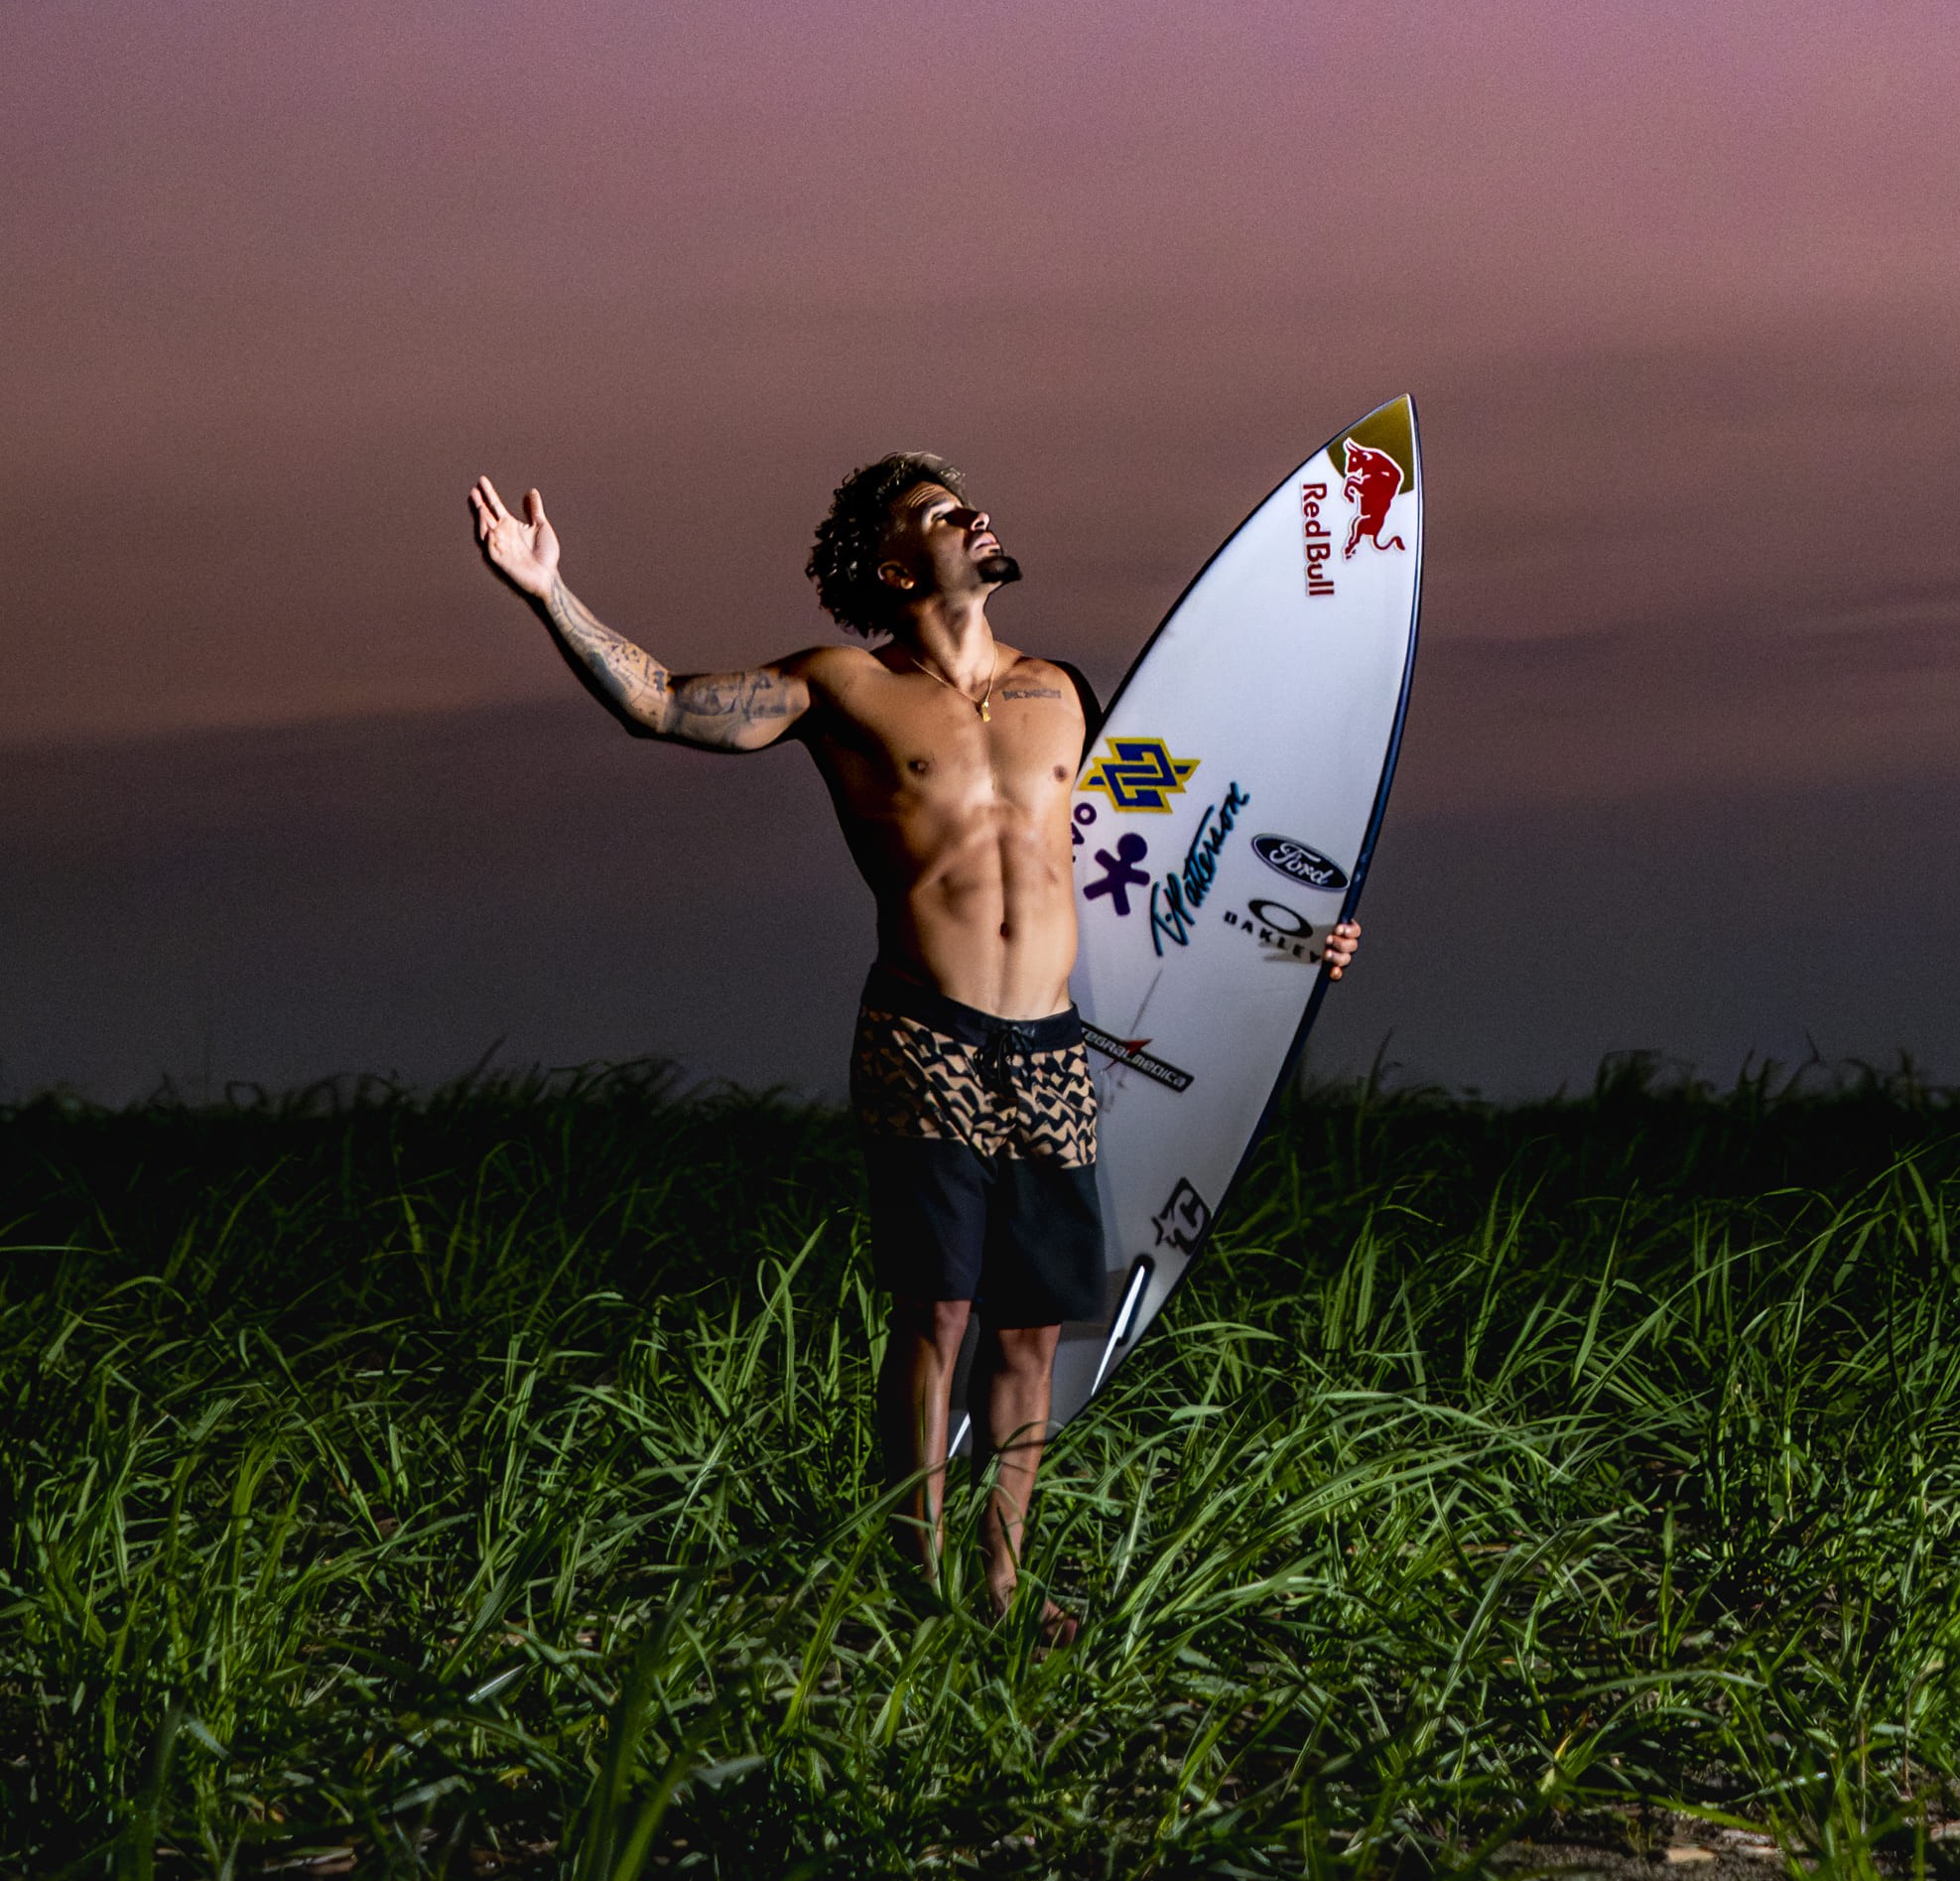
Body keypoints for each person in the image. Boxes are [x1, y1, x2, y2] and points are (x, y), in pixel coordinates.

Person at [463, 449, 1357, 1611]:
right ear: (895, 564)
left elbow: (1170, 854)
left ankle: (1000, 1583)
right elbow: (662, 704)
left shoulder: (1066, 694)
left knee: (1033, 1327)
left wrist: (1293, 943)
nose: (976, 513)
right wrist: (549, 592)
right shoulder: (844, 688)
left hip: (1048, 1047)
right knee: (937, 1308)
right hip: (924, 1032)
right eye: (942, 512)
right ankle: (918, 1587)